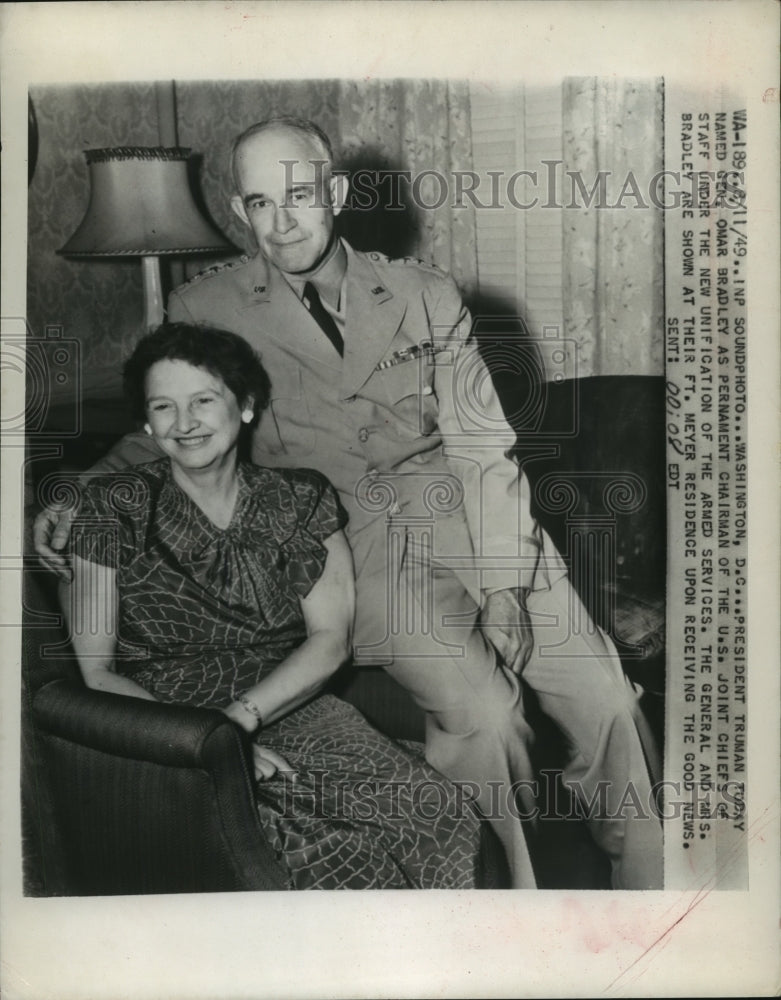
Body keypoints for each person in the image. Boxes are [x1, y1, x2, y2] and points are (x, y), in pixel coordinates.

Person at [37, 115, 662, 889]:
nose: (282, 220)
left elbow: (480, 445)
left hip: (478, 522)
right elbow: (172, 425)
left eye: (298, 194)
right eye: (261, 203)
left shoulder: (422, 293)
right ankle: (506, 914)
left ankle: (650, 895)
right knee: (485, 717)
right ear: (240, 212)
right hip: (362, 553)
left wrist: (505, 582)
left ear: (333, 192)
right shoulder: (206, 310)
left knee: (607, 702)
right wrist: (77, 489)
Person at [61, 322, 483, 890]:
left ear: (248, 405)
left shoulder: (302, 498)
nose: (183, 424)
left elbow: (329, 639)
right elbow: (97, 671)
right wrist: (212, 744)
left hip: (291, 706)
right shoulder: (108, 507)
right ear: (146, 421)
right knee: (322, 852)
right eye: (163, 406)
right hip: (163, 726)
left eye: (203, 401)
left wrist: (237, 723)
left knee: (436, 814)